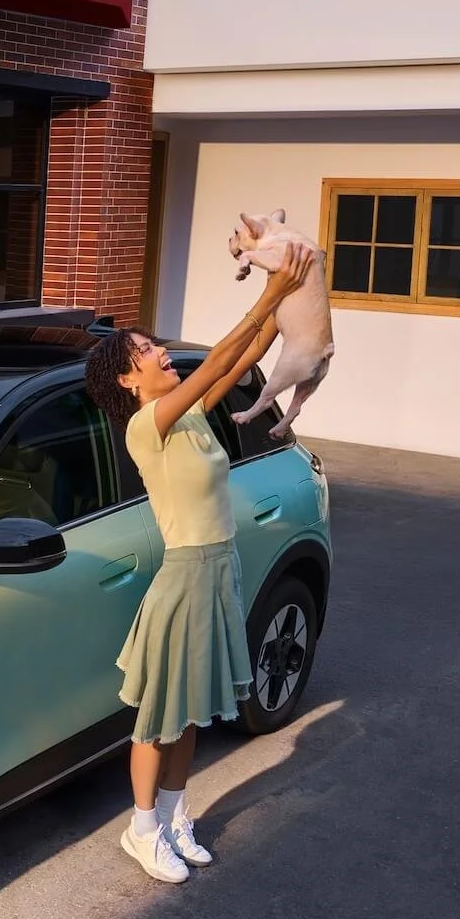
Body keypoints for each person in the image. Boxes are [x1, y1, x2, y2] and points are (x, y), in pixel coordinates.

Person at [83, 243, 316, 883]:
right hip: (184, 579)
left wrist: (287, 294)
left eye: (155, 343)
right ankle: (142, 828)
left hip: (220, 571)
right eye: (146, 352)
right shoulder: (146, 426)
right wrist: (268, 297)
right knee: (157, 717)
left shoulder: (191, 419)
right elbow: (214, 359)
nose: (159, 351)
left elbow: (240, 358)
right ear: (129, 380)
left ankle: (177, 816)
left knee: (192, 713)